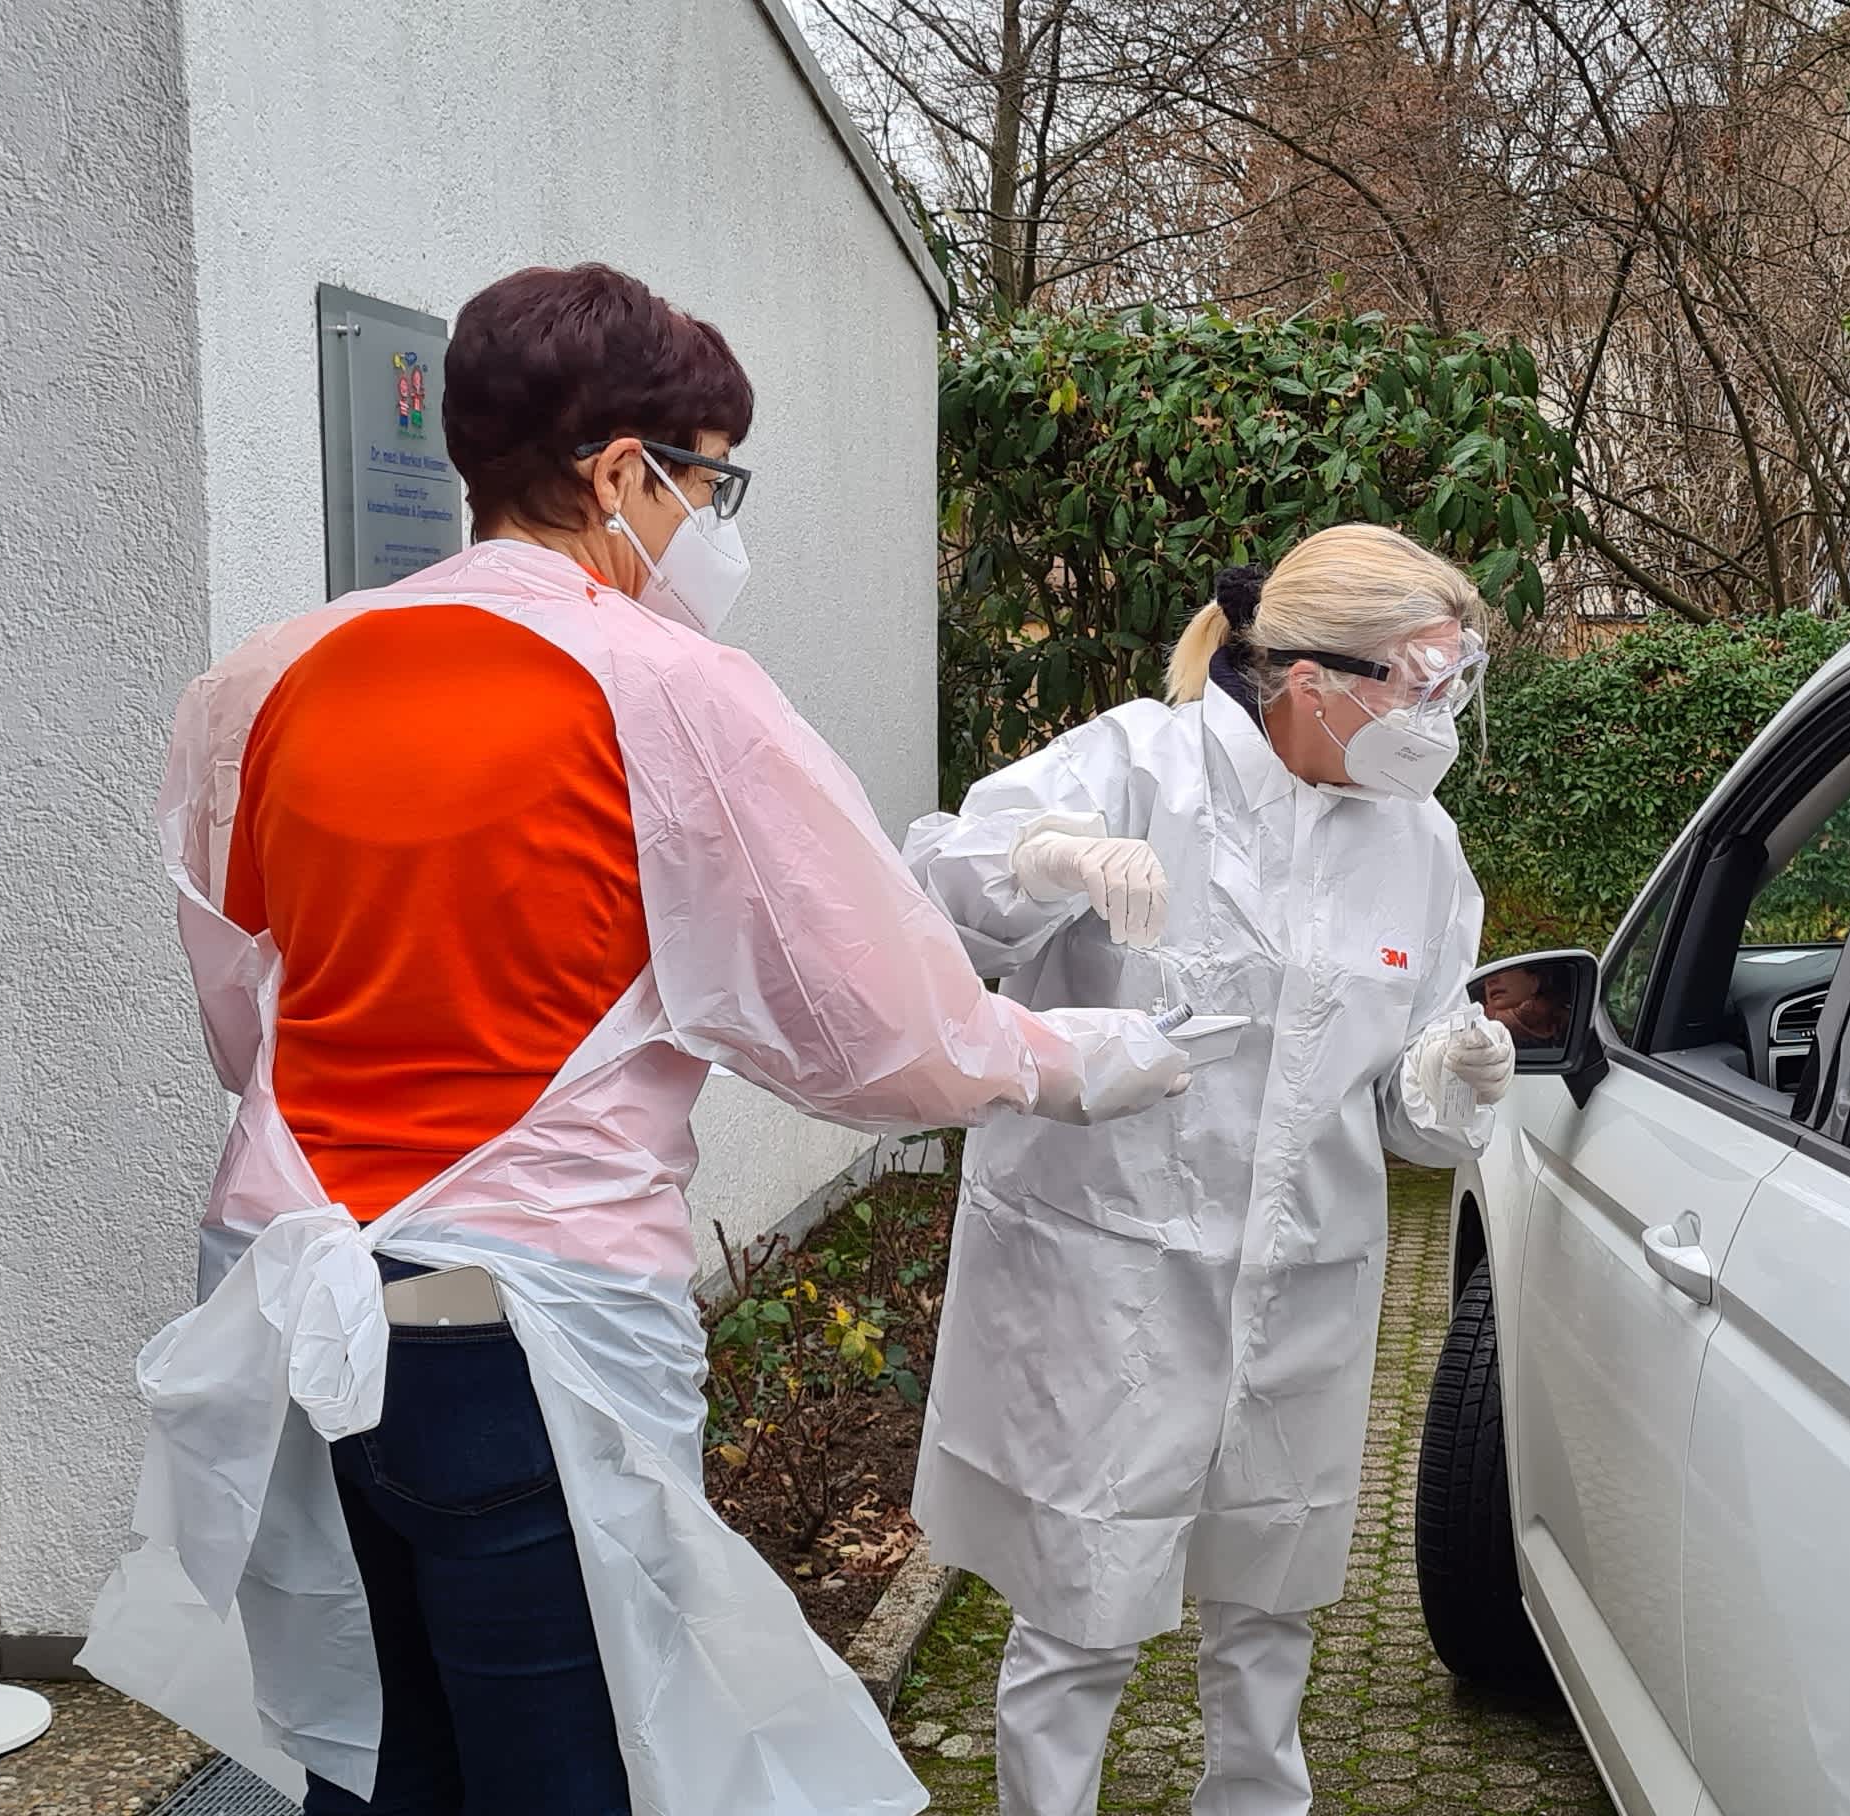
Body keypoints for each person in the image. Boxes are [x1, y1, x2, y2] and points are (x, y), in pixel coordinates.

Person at [76, 264, 1189, 1816]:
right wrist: (1072, 1061)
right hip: (527, 1324)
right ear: (617, 473)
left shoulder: (268, 680)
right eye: (706, 481)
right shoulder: (666, 690)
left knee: (382, 1747)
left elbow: (239, 997)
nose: (707, 524)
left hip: (283, 1281)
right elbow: (867, 1022)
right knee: (564, 1766)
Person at [902, 531, 1515, 1816]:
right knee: (1078, 1617)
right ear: (1311, 676)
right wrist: (1045, 860)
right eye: (1421, 682)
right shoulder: (1138, 763)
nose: (1439, 718)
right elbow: (931, 893)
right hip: (1111, 1277)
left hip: (1304, 1289)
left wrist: (1445, 1081)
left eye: (1457, 683)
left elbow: (1401, 1115)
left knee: (1273, 1607)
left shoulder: (1423, 848)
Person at [1481, 962, 1572, 1045]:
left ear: (1534, 982)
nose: (1490, 980)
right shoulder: (1477, 1025)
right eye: (1485, 975)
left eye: (1504, 969)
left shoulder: (1565, 1022)